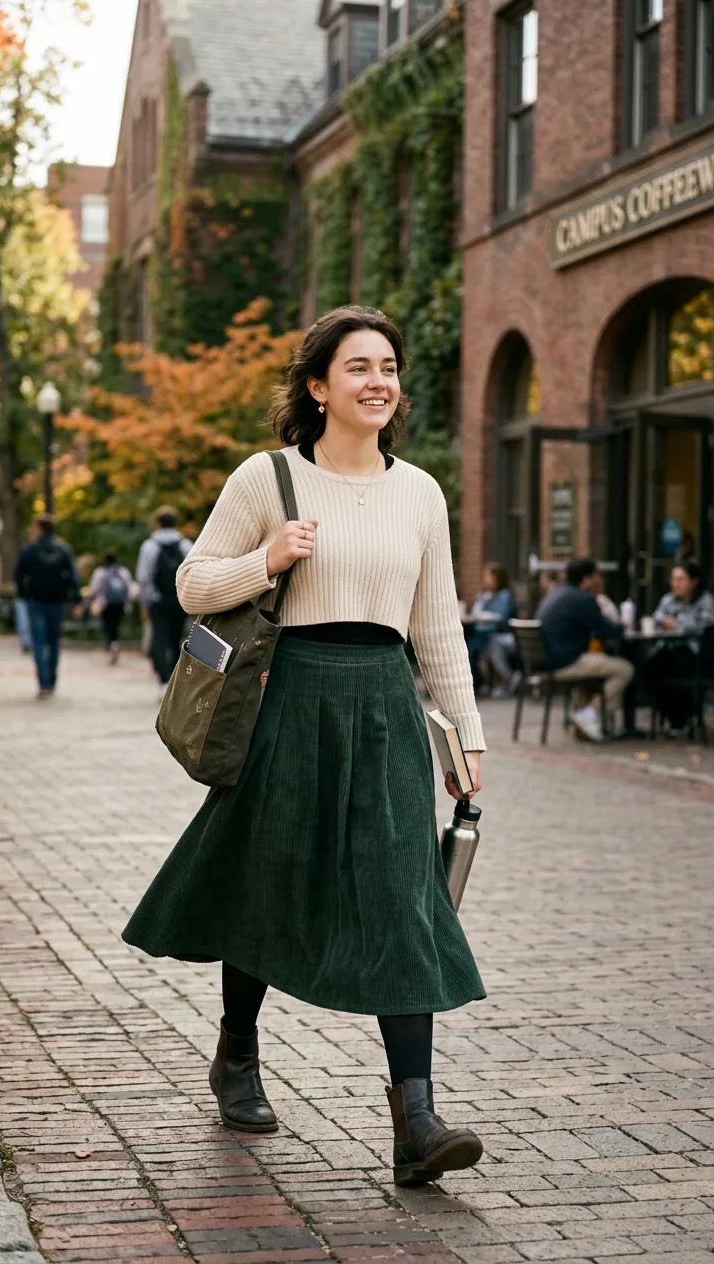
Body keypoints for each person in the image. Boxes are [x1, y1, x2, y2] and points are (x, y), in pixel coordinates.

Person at [123, 306, 487, 1188]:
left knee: (406, 898)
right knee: (267, 877)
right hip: (286, 700)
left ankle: (417, 1118)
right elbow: (191, 583)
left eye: (389, 367)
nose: (378, 381)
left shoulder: (421, 493)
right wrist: (269, 559)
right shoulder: (269, 478)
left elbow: (437, 622)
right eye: (357, 367)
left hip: (385, 706)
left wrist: (465, 737)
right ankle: (237, 1057)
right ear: (318, 386)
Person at [536, 557, 634, 742]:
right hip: (564, 662)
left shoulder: (555, 593)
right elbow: (609, 631)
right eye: (595, 576)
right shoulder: (582, 599)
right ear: (587, 578)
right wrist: (624, 626)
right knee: (624, 669)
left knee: (597, 670)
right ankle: (590, 713)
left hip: (542, 661)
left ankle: (586, 718)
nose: (597, 581)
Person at [644, 561, 714, 734]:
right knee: (649, 665)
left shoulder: (706, 600)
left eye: (681, 579)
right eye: (673, 579)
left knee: (673, 666)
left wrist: (677, 624)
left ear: (694, 582)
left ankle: (681, 718)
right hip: (670, 649)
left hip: (697, 653)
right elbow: (658, 616)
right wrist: (665, 622)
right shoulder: (669, 599)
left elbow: (704, 627)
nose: (675, 584)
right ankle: (671, 716)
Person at [14, 514, 82, 698]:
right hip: (57, 600)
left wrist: (24, 594)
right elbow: (73, 576)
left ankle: (43, 681)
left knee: (38, 641)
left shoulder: (30, 550)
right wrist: (76, 600)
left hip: (36, 600)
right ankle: (51, 679)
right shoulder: (63, 549)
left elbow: (19, 574)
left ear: (39, 529)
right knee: (54, 641)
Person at [136, 508, 192, 698]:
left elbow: (144, 577)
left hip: (157, 601)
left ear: (158, 523)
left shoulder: (149, 546)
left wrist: (145, 602)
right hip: (179, 600)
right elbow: (191, 573)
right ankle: (176, 680)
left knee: (159, 640)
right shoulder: (185, 545)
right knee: (176, 639)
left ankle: (163, 681)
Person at [466, 562, 518, 694]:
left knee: (488, 644)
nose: (485, 580)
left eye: (489, 576)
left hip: (503, 634)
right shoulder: (485, 596)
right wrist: (482, 600)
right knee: (468, 643)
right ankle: (477, 680)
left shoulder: (504, 596)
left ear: (498, 578)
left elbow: (500, 619)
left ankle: (509, 678)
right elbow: (475, 613)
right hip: (485, 634)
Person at [87, 550, 136, 664]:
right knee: (116, 625)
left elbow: (94, 589)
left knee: (108, 626)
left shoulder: (100, 572)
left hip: (105, 604)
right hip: (120, 604)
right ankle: (115, 642)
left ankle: (111, 644)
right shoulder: (123, 571)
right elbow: (131, 588)